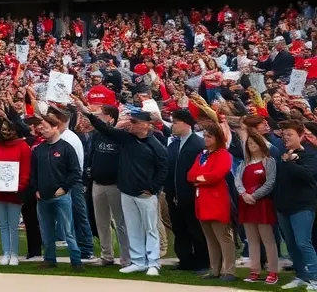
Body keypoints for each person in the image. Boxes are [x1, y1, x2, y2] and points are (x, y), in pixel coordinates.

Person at [77, 101, 166, 275]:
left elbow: (163, 168)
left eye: (134, 122)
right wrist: (87, 113)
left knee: (150, 228)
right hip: (126, 191)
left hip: (145, 193)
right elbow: (105, 129)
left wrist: (154, 188)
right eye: (130, 121)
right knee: (132, 227)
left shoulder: (155, 144)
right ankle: (138, 260)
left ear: (146, 125)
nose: (129, 124)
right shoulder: (126, 139)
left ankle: (154, 262)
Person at [29, 113, 83, 271]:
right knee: (46, 230)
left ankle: (76, 260)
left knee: (68, 230)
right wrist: (36, 189)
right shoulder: (39, 150)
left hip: (61, 196)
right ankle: (50, 258)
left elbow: (75, 172)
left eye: (45, 128)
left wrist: (64, 188)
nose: (42, 131)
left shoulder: (66, 148)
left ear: (55, 127)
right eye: (41, 128)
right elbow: (33, 173)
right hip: (42, 196)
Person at [187, 121, 235, 280]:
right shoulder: (201, 156)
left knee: (223, 237)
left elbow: (217, 175)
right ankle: (214, 269)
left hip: (217, 200)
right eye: (205, 136)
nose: (206, 139)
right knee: (210, 238)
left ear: (217, 137)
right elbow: (190, 175)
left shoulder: (223, 154)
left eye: (209, 136)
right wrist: (201, 178)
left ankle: (228, 270)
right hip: (202, 201)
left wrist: (200, 179)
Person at [164, 109, 208, 273]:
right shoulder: (174, 144)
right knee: (179, 228)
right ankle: (185, 259)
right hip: (174, 195)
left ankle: (202, 261)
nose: (173, 126)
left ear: (186, 124)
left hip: (191, 195)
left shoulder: (198, 144)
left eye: (175, 122)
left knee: (195, 229)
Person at [275, 121, 317, 290]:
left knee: (303, 242)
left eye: (290, 134)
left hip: (303, 206)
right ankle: (301, 275)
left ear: (300, 136)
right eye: (284, 134)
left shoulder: (310, 155)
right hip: (283, 206)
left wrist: (291, 163)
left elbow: (308, 176)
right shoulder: (282, 154)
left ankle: (315, 277)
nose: (286, 138)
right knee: (291, 244)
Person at [234, 129, 279, 284]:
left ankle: (273, 271)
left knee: (267, 239)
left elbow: (270, 183)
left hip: (261, 203)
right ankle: (255, 270)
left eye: (254, 143)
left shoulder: (269, 161)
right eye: (249, 144)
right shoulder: (244, 163)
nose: (252, 146)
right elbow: (237, 180)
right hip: (246, 203)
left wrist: (254, 195)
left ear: (261, 144)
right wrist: (243, 194)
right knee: (251, 239)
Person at [0, 116, 31, 266]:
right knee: (2, 225)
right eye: (4, 129)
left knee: (13, 225)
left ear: (16, 130)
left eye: (9, 129)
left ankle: (14, 254)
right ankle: (5, 253)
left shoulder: (23, 147)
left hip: (14, 192)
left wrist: (18, 187)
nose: (6, 132)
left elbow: (26, 171)